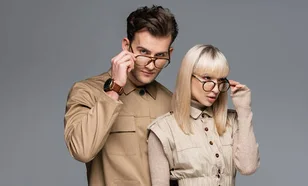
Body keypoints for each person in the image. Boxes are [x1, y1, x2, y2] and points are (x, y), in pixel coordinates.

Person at [63, 5, 178, 185]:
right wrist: (115, 89)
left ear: (169, 53)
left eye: (160, 56)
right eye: (143, 52)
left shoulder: (172, 101)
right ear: (126, 46)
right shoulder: (87, 91)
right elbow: (82, 150)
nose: (151, 64)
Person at [147, 44, 260, 186]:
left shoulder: (231, 121)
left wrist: (244, 110)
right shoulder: (163, 129)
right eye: (207, 78)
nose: (215, 89)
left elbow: (248, 167)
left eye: (220, 81)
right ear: (188, 77)